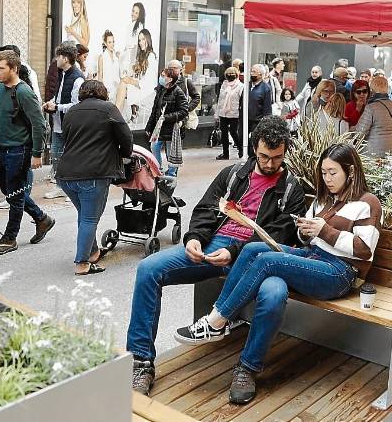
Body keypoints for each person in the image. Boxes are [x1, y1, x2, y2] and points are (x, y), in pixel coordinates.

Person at [174, 142, 379, 404]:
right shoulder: (323, 200)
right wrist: (305, 233)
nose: (327, 179)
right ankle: (219, 318)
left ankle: (216, 322)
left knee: (268, 261)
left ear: (350, 172)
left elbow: (364, 250)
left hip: (340, 273)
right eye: (324, 173)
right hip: (313, 258)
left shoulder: (367, 202)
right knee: (254, 249)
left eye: (333, 173)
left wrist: (324, 230)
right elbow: (310, 243)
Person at [128, 116, 306, 397]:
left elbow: (278, 236)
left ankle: (247, 368)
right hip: (215, 244)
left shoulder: (292, 190)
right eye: (263, 156)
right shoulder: (233, 174)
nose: (270, 164)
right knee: (149, 269)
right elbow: (205, 209)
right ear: (253, 148)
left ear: (286, 152)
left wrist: (235, 252)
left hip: (257, 258)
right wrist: (195, 238)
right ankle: (141, 362)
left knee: (274, 295)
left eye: (277, 157)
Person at [0, 50, 54, 255]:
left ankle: (10, 238)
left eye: (1, 68)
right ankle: (42, 219)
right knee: (11, 192)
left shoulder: (24, 92)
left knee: (15, 194)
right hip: (3, 149)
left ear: (14, 69)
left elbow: (39, 125)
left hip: (19, 151)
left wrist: (37, 154)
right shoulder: (2, 89)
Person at [57, 80, 134, 275]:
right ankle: (82, 263)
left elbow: (66, 138)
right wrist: (126, 154)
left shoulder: (72, 111)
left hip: (66, 174)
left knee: (84, 216)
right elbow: (126, 136)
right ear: (103, 91)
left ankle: (92, 252)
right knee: (90, 219)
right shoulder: (108, 109)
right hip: (93, 173)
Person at [42, 43, 84, 200]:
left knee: (71, 158)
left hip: (70, 125)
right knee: (56, 156)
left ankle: (74, 188)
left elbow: (77, 105)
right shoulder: (62, 73)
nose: (56, 59)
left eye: (58, 56)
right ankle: (61, 187)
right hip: (58, 124)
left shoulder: (77, 78)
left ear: (65, 58)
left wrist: (57, 106)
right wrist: (50, 102)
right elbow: (59, 95)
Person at [146, 65, 189, 177]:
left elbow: (184, 111)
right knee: (154, 147)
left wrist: (167, 117)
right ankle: (157, 170)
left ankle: (171, 174)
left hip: (171, 129)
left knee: (171, 153)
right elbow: (155, 110)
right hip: (158, 128)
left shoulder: (178, 92)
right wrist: (149, 127)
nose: (161, 77)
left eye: (163, 76)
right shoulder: (161, 90)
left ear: (170, 79)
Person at [355, 76, 392, 157]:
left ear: (372, 89)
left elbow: (360, 132)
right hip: (391, 147)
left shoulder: (371, 107)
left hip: (373, 150)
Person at [240, 64, 273, 155]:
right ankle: (243, 154)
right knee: (241, 138)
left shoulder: (265, 88)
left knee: (254, 141)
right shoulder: (248, 85)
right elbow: (241, 100)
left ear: (261, 74)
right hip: (244, 118)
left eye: (254, 72)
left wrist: (265, 121)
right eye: (251, 71)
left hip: (257, 120)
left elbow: (267, 108)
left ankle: (252, 158)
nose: (251, 73)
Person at [216, 66, 244, 160]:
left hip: (234, 113)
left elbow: (241, 101)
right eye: (228, 74)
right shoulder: (224, 85)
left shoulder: (241, 86)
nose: (230, 76)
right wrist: (217, 113)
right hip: (223, 112)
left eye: (232, 74)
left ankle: (241, 150)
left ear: (236, 75)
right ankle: (225, 154)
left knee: (233, 132)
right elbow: (220, 99)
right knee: (224, 133)